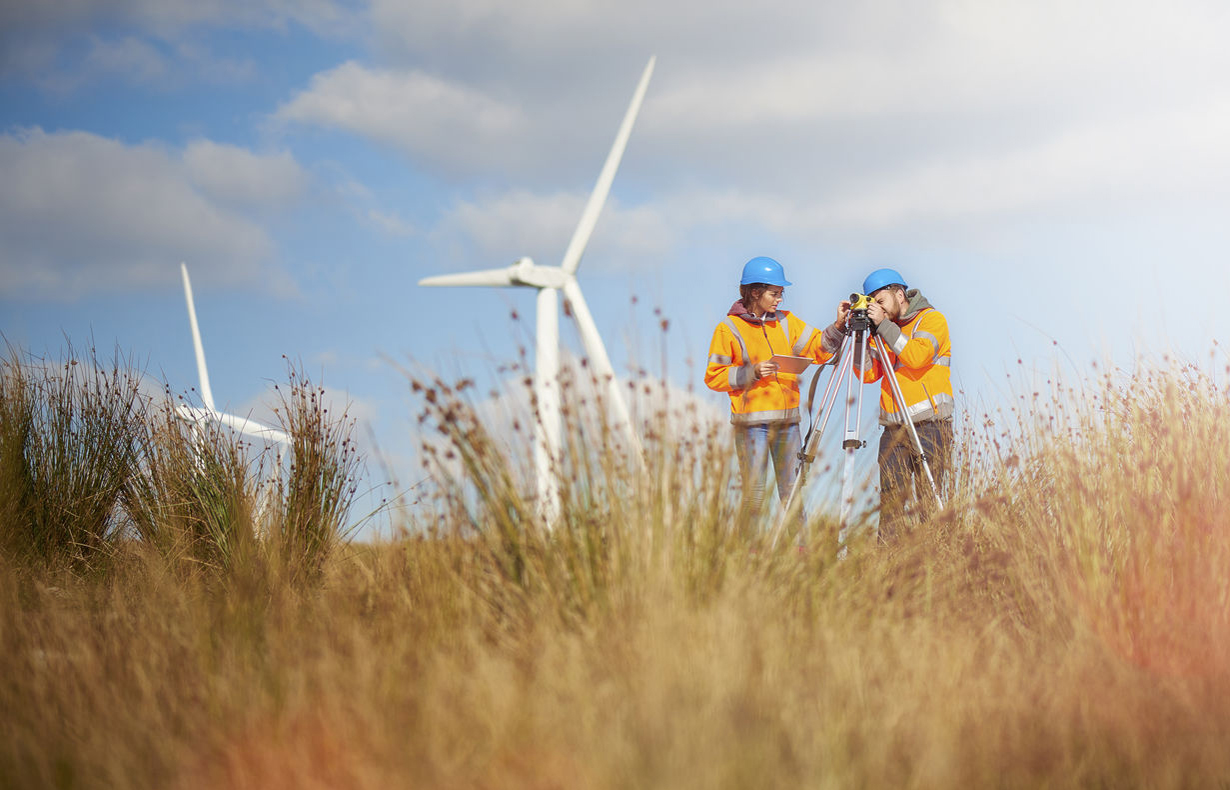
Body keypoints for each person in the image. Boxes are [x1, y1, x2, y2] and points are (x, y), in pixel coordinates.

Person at [705, 256, 847, 526]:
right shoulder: (729, 329)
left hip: (787, 424)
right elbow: (713, 377)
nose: (780, 299)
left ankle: (801, 554)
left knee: (792, 495)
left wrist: (838, 326)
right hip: (751, 426)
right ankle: (747, 555)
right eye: (775, 293)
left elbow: (819, 348)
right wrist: (752, 372)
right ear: (755, 292)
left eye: (782, 293)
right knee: (755, 496)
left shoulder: (787, 322)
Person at [855, 268, 953, 542]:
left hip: (931, 427)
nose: (879, 309)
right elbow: (867, 374)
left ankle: (937, 560)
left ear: (900, 295)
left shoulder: (932, 320)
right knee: (891, 505)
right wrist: (860, 336)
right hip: (893, 431)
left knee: (927, 503)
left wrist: (884, 327)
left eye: (881, 301)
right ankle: (889, 565)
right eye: (873, 303)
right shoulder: (884, 330)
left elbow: (918, 357)